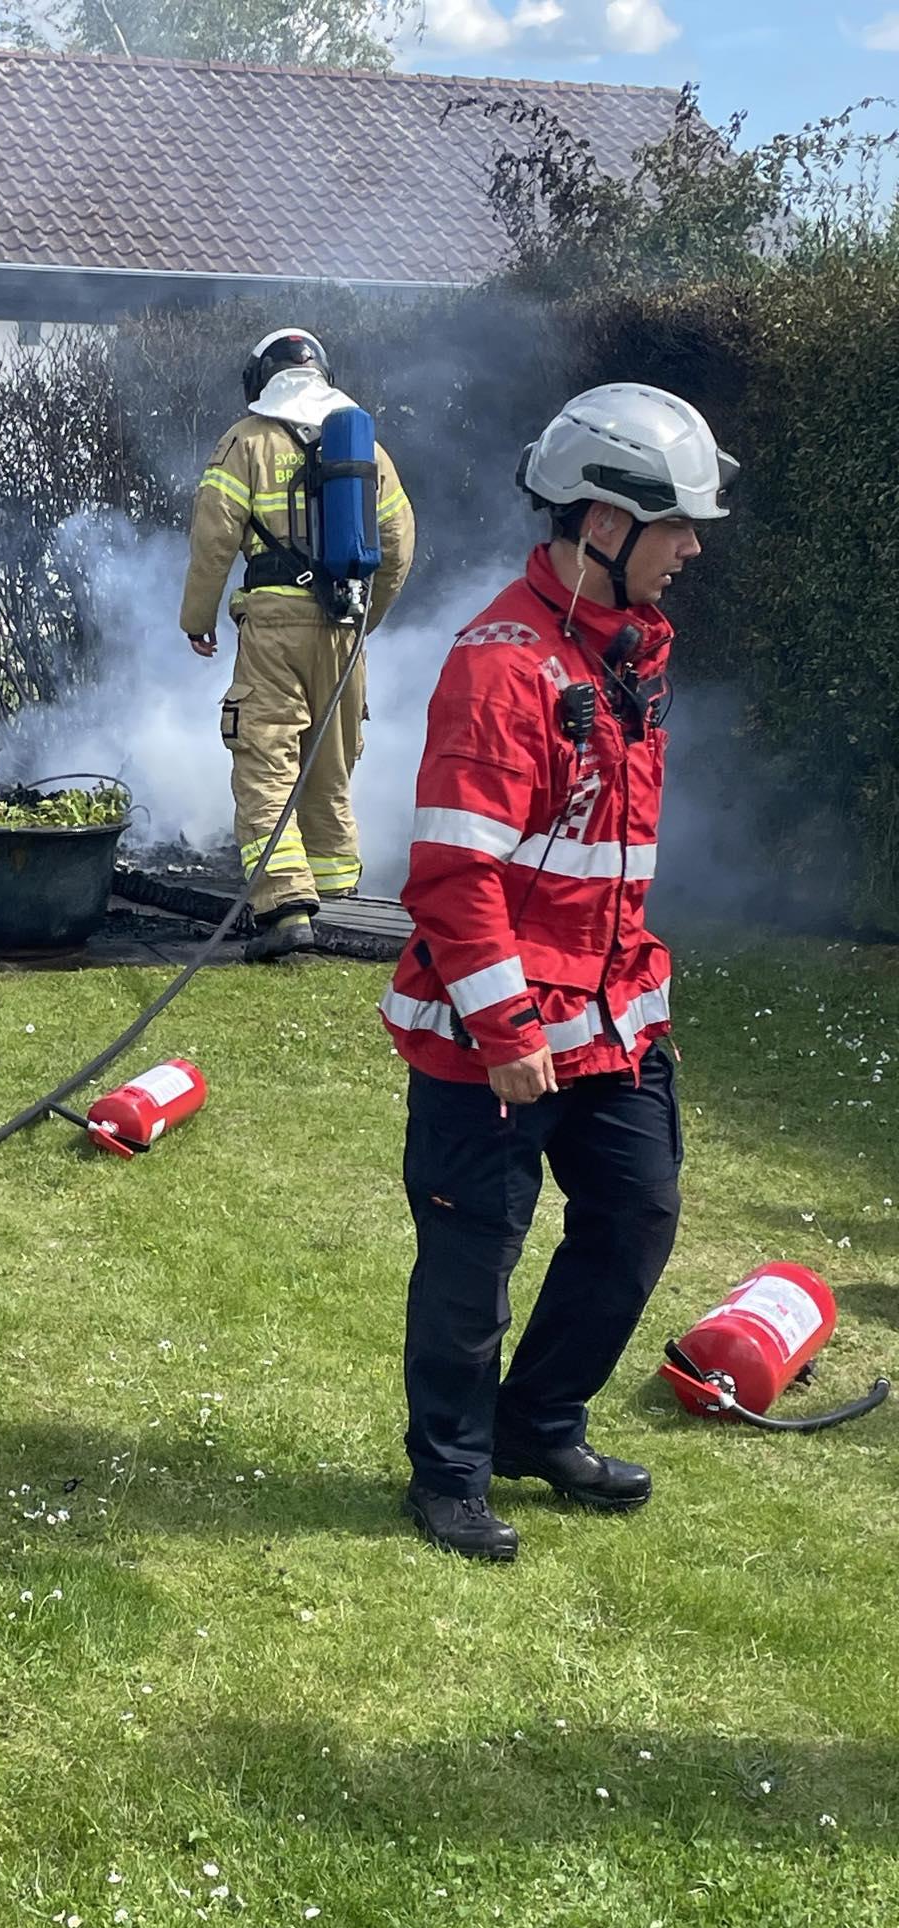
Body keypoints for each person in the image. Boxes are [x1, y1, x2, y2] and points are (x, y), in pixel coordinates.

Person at [381, 383, 740, 1561]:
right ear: (601, 521)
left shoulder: (629, 655)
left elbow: (604, 862)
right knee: (474, 1250)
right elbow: (451, 873)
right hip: (496, 1031)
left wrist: (632, 1011)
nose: (692, 548)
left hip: (608, 1019)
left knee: (637, 1213)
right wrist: (507, 1032)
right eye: (678, 523)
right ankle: (449, 1470)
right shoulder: (502, 668)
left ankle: (537, 1422)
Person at [179, 329, 415, 962]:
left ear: (260, 380)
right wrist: (369, 619)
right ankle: (339, 896)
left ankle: (285, 909)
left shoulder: (245, 442)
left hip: (275, 627)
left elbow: (213, 540)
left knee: (266, 758)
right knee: (329, 766)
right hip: (345, 628)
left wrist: (196, 617)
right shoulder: (366, 448)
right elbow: (398, 545)